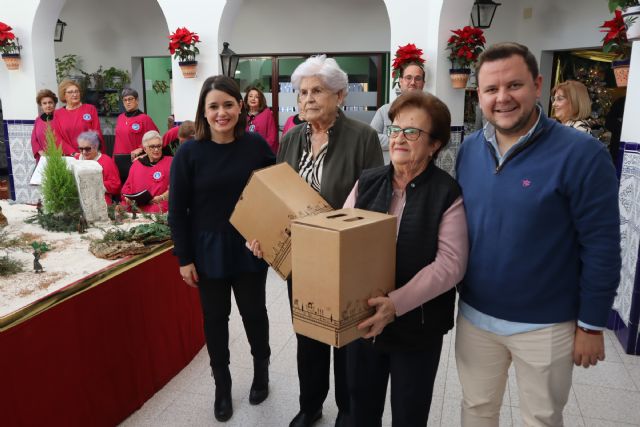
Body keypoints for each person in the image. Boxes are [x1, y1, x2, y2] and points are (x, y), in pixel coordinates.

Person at [455, 42, 621, 426]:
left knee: (541, 419)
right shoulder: (468, 151)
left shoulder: (581, 154)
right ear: (478, 95)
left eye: (514, 85)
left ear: (537, 84)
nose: (502, 98)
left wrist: (592, 323)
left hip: (547, 325)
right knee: (476, 410)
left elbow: (602, 244)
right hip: (476, 319)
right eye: (490, 89)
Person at [248, 54, 383, 427]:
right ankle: (311, 405)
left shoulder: (363, 137)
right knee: (308, 335)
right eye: (302, 91)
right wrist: (264, 236)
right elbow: (279, 196)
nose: (307, 98)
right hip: (302, 257)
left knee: (346, 340)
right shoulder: (291, 138)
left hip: (345, 258)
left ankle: (348, 409)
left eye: (317, 90)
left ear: (340, 96)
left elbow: (372, 202)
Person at [344, 91, 468, 427]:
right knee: (361, 408)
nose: (399, 138)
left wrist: (395, 304)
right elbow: (339, 238)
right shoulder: (368, 181)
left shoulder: (446, 192)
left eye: (412, 132)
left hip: (418, 328)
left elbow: (451, 264)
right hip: (364, 320)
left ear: (434, 145)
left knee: (409, 413)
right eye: (396, 129)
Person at [168, 75, 275, 423]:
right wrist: (184, 258)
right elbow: (177, 210)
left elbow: (275, 196)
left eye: (228, 104)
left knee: (254, 314)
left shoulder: (256, 147)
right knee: (215, 320)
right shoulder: (189, 153)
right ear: (204, 110)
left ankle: (262, 371)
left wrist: (269, 238)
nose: (221, 113)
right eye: (213, 106)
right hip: (207, 250)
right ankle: (222, 385)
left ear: (240, 107)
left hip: (249, 247)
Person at [371, 44, 425, 163]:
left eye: (417, 78)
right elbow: (371, 137)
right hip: (389, 171)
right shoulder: (384, 111)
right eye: (408, 78)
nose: (413, 82)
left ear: (423, 83)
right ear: (400, 81)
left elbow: (442, 141)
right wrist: (400, 138)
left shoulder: (430, 112)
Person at [121, 130, 171, 213]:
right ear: (145, 149)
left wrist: (162, 197)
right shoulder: (136, 164)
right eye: (152, 146)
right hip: (137, 205)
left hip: (159, 204)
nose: (156, 149)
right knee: (121, 208)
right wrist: (127, 198)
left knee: (158, 208)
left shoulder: (171, 162)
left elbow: (177, 186)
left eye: (159, 146)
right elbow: (127, 187)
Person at [55, 79, 104, 155]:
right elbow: (57, 138)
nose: (75, 94)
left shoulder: (90, 109)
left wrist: (91, 152)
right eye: (70, 92)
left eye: (76, 91)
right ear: (64, 95)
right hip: (69, 157)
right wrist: (73, 153)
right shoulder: (57, 114)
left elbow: (97, 132)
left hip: (89, 155)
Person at [74, 130, 121, 205]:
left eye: (87, 149)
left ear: (96, 147)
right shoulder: (76, 159)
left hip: (100, 200)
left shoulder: (106, 161)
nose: (83, 152)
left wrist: (93, 184)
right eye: (81, 149)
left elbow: (115, 185)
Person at [113, 88, 159, 160]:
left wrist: (141, 148)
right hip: (120, 159)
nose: (128, 102)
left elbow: (155, 137)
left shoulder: (145, 119)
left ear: (137, 101)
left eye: (130, 99)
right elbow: (117, 142)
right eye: (125, 100)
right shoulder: (120, 118)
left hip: (137, 158)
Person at [244, 86, 278, 153]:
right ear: (246, 99)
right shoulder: (242, 114)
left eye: (257, 97)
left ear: (260, 100)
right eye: (250, 96)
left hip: (262, 152)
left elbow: (272, 137)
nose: (253, 99)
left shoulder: (267, 113)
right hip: (245, 152)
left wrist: (260, 150)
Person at [31, 89, 60, 162]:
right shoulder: (38, 120)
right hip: (43, 158)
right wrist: (41, 152)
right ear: (41, 105)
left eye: (50, 102)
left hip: (61, 157)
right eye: (44, 103)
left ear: (55, 104)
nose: (48, 105)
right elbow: (34, 139)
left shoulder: (60, 118)